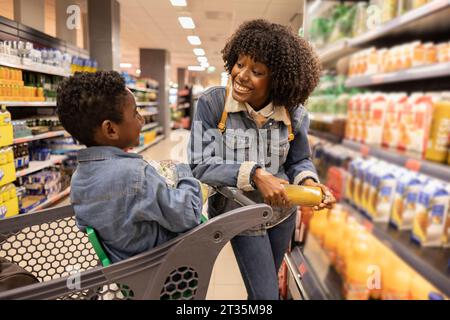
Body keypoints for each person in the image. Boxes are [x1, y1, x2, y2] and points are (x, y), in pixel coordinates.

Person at [189, 19, 336, 299]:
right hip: (238, 211)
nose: (241, 75)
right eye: (239, 64)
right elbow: (199, 163)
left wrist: (309, 182)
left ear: (277, 79)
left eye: (257, 71)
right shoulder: (212, 104)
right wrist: (256, 174)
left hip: (283, 213)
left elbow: (298, 160)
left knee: (264, 287)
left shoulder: (293, 113)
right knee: (266, 295)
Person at [56, 71, 203, 263]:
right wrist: (183, 172)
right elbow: (189, 213)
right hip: (164, 272)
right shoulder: (135, 175)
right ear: (110, 129)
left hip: (126, 272)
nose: (141, 120)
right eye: (135, 113)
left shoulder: (78, 179)